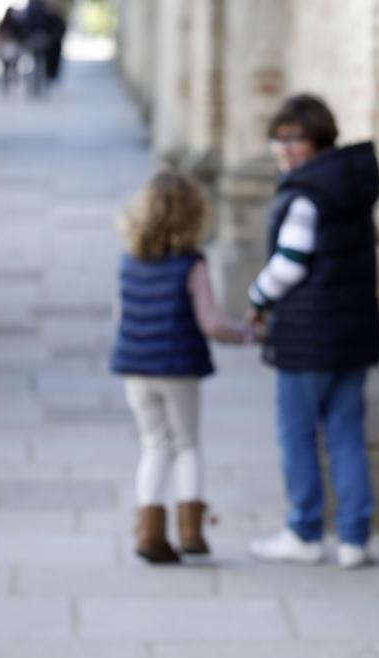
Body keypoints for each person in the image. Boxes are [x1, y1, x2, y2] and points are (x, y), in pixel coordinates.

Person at [245, 94, 379, 570]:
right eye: (277, 139)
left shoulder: (307, 192)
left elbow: (291, 262)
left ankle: (304, 531)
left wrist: (256, 297)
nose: (283, 149)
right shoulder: (347, 183)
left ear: (318, 138)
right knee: (345, 433)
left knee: (298, 435)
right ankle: (353, 540)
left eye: (293, 138)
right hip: (351, 333)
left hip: (308, 337)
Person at [110, 171, 259, 564]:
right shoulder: (191, 264)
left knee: (154, 444)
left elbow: (119, 317)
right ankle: (192, 530)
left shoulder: (130, 261)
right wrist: (245, 334)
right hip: (177, 367)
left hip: (136, 367)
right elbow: (210, 322)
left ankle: (149, 531)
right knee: (187, 444)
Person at [0, 7, 23, 94]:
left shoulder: (16, 24)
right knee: (7, 67)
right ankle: (6, 86)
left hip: (13, 47)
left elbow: (20, 35)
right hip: (6, 48)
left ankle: (11, 85)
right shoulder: (4, 24)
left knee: (13, 67)